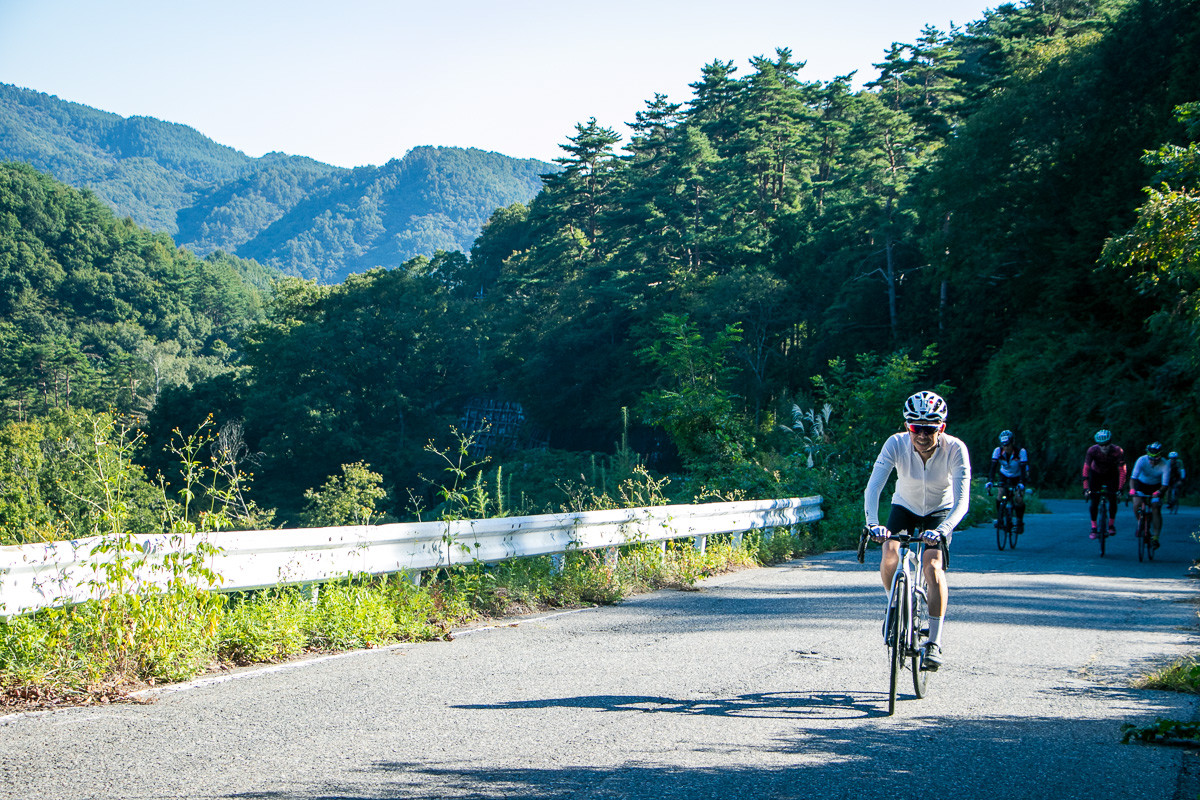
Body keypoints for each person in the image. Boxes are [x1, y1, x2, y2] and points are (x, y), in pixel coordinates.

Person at [863, 390, 971, 671]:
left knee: (932, 565)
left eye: (929, 429)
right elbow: (874, 486)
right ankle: (893, 607)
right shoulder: (895, 444)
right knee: (889, 550)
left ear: (941, 428)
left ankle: (933, 642)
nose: (921, 435)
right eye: (915, 428)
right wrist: (873, 523)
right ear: (906, 426)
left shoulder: (956, 449)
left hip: (939, 511)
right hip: (905, 506)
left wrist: (944, 529)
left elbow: (962, 501)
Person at [1082, 430, 1126, 539]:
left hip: (1111, 474)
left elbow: (1122, 471)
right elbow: (1086, 469)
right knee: (1094, 501)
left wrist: (1120, 488)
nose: (1104, 447)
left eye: (1106, 444)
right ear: (1098, 444)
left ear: (1110, 442)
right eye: (1101, 445)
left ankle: (1111, 525)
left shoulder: (1117, 451)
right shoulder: (1092, 450)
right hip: (1096, 474)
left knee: (1112, 500)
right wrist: (1086, 488)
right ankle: (1094, 528)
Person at [985, 429, 1029, 534]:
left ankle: (1019, 522)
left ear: (1012, 443)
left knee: (1018, 498)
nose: (1006, 447)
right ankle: (1000, 518)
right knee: (1000, 494)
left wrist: (1022, 483)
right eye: (1004, 445)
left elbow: (1023, 469)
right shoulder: (998, 451)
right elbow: (993, 468)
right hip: (1004, 475)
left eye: (1008, 445)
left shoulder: (1021, 452)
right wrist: (990, 481)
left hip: (1018, 476)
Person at [1130, 441, 1173, 547]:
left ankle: (1156, 537)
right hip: (1141, 484)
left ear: (1160, 457)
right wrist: (1132, 489)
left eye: (1156, 460)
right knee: (1136, 503)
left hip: (1157, 487)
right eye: (1151, 459)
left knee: (1156, 508)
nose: (1152, 462)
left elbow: (1165, 485)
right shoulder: (1141, 460)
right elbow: (1133, 478)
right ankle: (1140, 524)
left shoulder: (1165, 464)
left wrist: (1158, 492)